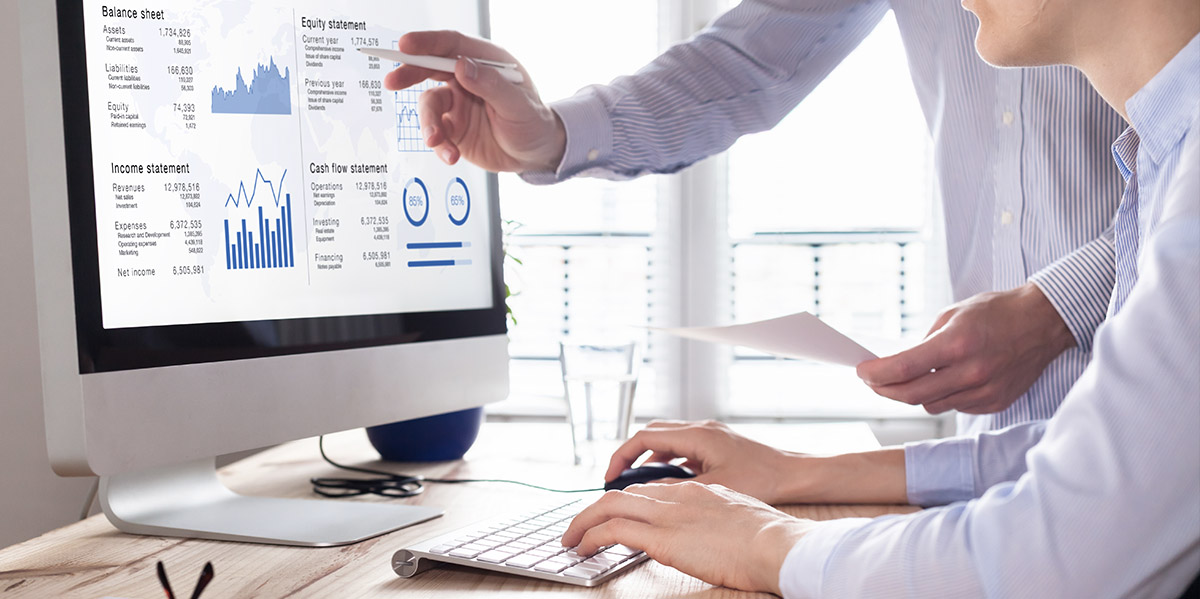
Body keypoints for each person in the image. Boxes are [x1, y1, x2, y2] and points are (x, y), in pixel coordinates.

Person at [557, 1, 1200, 595]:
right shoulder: (1163, 156)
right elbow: (1096, 459)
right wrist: (796, 472)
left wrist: (761, 542)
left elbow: (1057, 553)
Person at [386, 0, 1125, 434]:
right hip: (1000, 441)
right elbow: (748, 62)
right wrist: (550, 133)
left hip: (1162, 411)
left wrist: (1056, 309)